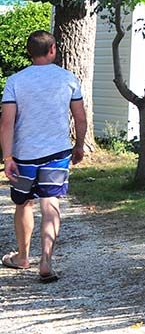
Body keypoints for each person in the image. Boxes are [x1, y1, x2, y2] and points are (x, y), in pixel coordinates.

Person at [1, 30, 86, 283]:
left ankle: (23, 257)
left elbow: (6, 122)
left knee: (24, 203)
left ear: (28, 51)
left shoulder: (15, 81)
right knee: (50, 202)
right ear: (53, 50)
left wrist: (7, 158)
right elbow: (80, 118)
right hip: (57, 152)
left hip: (24, 154)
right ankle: (46, 261)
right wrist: (79, 146)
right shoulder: (68, 79)